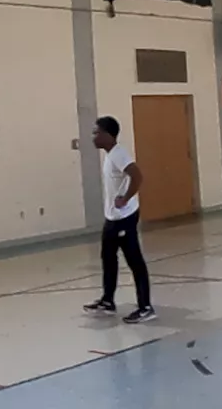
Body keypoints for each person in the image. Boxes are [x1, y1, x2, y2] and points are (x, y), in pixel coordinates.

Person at [82, 117, 155, 324]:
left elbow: (137, 176)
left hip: (125, 218)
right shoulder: (110, 156)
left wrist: (126, 198)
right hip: (112, 218)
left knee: (134, 261)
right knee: (108, 257)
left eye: (96, 132)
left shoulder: (119, 154)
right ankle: (107, 300)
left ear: (107, 134)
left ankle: (146, 307)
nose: (93, 137)